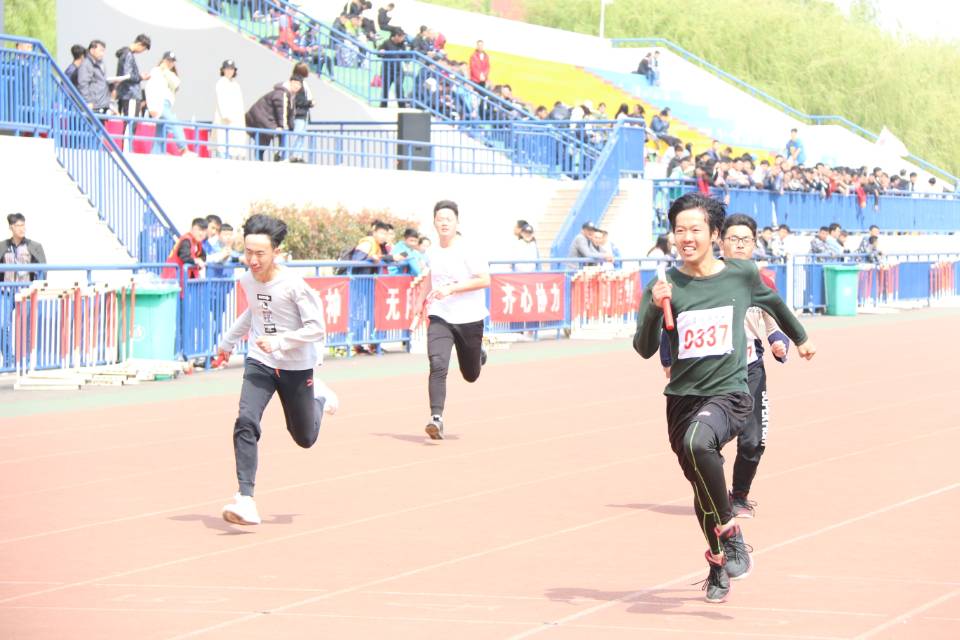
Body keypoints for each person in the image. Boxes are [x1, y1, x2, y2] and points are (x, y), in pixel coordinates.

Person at [634, 193, 815, 603]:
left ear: (714, 234)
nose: (686, 237)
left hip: (730, 393)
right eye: (679, 230)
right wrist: (654, 307)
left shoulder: (740, 274)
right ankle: (717, 561)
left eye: (695, 229)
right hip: (682, 398)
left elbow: (774, 303)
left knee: (699, 442)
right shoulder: (664, 285)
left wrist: (801, 337)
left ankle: (731, 532)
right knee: (702, 488)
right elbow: (643, 348)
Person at [661, 213, 792, 520]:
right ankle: (714, 490)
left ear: (755, 244)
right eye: (733, 239)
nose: (739, 245)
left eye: (746, 240)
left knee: (753, 441)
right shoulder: (703, 276)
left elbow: (774, 319)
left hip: (749, 367)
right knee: (705, 437)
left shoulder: (761, 280)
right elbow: (673, 318)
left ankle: (740, 496)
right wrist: (667, 358)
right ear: (720, 241)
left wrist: (778, 341)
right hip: (711, 371)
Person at [217, 214, 339, 525]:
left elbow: (317, 328)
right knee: (246, 420)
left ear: (276, 252)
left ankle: (320, 397)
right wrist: (227, 341)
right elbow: (254, 312)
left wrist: (281, 341)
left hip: (296, 365)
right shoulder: (247, 280)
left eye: (260, 253)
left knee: (304, 437)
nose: (252, 260)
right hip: (260, 360)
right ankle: (245, 498)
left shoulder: (294, 286)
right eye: (248, 252)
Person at [416, 200, 490, 440]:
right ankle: (436, 419)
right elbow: (431, 276)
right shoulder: (433, 250)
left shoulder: (469, 249)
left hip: (469, 317)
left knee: (471, 375)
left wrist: (452, 289)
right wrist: (420, 302)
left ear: (457, 222)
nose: (444, 223)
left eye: (449, 219)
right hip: (440, 314)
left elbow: (484, 280)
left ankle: (478, 353)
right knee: (437, 363)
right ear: (434, 223)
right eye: (440, 219)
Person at [144, 51, 193, 156]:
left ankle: (156, 153)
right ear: (163, 60)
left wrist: (165, 71)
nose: (170, 63)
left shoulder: (169, 73)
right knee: (174, 122)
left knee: (161, 130)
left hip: (167, 104)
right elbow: (150, 89)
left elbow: (176, 84)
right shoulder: (156, 71)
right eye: (168, 60)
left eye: (172, 61)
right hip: (159, 103)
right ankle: (183, 149)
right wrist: (152, 107)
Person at [245, 76, 301, 161]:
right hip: (261, 117)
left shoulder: (290, 95)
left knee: (265, 139)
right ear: (290, 82)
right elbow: (281, 111)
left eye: (299, 84)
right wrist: (283, 127)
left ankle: (274, 157)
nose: (297, 86)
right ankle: (275, 158)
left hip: (265, 118)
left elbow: (289, 114)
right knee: (267, 138)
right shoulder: (282, 94)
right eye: (296, 83)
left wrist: (290, 127)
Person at [212, 59, 246, 159]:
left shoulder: (236, 84)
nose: (229, 71)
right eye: (227, 69)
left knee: (234, 144)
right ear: (223, 70)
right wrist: (225, 115)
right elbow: (220, 100)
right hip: (224, 119)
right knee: (222, 143)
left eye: (231, 69)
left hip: (236, 119)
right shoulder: (221, 83)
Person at [114, 34, 151, 120]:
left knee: (127, 122)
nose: (142, 51)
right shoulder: (128, 55)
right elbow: (127, 75)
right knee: (130, 123)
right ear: (140, 44)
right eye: (143, 49)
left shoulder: (125, 54)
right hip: (130, 95)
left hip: (125, 94)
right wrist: (141, 77)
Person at [2, 213, 47, 282]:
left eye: (23, 225)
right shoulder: (2, 246)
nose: (21, 229)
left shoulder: (35, 246)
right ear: (11, 227)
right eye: (18, 226)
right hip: (5, 287)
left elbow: (43, 270)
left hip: (26, 287)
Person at [162, 217, 207, 283]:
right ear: (191, 229)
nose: (201, 234)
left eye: (204, 231)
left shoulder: (197, 243)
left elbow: (203, 257)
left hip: (184, 279)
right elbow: (184, 256)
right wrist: (196, 261)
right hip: (173, 279)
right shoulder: (186, 240)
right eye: (199, 230)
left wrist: (200, 261)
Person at [289, 63, 315, 163]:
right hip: (299, 114)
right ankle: (293, 156)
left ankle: (298, 156)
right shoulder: (297, 82)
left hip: (304, 114)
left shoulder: (303, 82)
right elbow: (298, 101)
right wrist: (310, 103)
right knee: (297, 135)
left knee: (301, 136)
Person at [77, 40, 110, 113]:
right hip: (93, 106)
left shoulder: (100, 63)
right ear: (92, 50)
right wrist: (88, 101)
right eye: (100, 51)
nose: (102, 54)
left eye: (103, 51)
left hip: (102, 104)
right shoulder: (86, 64)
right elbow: (83, 84)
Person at [378, 30, 407, 108]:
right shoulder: (386, 43)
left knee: (399, 86)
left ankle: (402, 105)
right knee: (385, 88)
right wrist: (381, 52)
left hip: (398, 70)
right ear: (397, 36)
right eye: (402, 37)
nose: (403, 39)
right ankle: (383, 106)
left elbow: (406, 56)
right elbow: (379, 52)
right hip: (387, 69)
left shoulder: (402, 45)